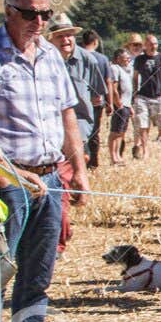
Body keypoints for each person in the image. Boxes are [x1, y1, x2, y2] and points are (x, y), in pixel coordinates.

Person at [0, 0, 89, 322]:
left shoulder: (50, 56)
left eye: (46, 14)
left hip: (50, 178)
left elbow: (68, 115)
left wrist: (78, 169)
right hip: (7, 180)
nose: (40, 22)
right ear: (9, 11)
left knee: (38, 274)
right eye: (32, 14)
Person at [49, 21, 106, 251]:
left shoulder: (88, 60)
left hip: (78, 129)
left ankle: (60, 235)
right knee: (57, 185)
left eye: (70, 36)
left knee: (62, 183)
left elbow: (96, 94)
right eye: (60, 36)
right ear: (50, 39)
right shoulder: (44, 61)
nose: (66, 40)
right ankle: (60, 233)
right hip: (51, 132)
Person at [132, 32, 161, 159]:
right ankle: (145, 150)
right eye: (151, 44)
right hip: (143, 96)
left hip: (158, 96)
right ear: (145, 45)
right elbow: (135, 76)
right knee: (143, 124)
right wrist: (135, 92)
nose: (153, 46)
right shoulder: (139, 59)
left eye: (155, 44)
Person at [78, 29, 109, 169]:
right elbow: (108, 82)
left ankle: (81, 160)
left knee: (79, 133)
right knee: (94, 132)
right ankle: (93, 162)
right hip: (96, 101)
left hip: (78, 102)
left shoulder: (76, 56)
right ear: (95, 42)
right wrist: (110, 102)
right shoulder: (102, 59)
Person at [107, 47, 133, 165]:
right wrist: (118, 103)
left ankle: (118, 155)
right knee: (115, 132)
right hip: (121, 105)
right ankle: (113, 157)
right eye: (125, 56)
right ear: (118, 58)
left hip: (126, 105)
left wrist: (129, 106)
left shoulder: (125, 70)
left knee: (121, 132)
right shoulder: (115, 68)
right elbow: (114, 87)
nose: (128, 58)